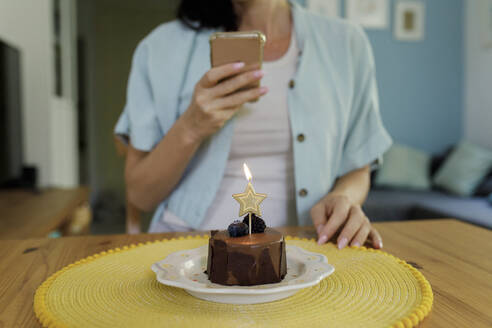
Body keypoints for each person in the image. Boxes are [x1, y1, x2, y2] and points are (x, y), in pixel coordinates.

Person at [115, 0, 392, 249]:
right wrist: (191, 126)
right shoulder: (159, 48)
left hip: (305, 256)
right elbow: (140, 195)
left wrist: (344, 197)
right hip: (184, 253)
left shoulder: (347, 44)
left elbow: (358, 169)